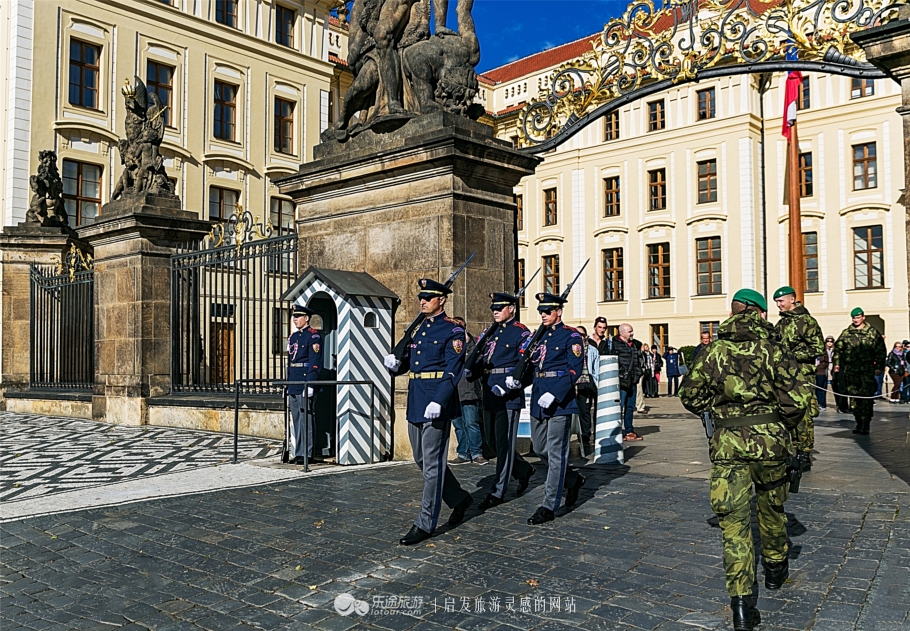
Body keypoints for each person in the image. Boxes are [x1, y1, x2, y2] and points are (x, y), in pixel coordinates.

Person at [680, 288, 812, 631]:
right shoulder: (775, 349)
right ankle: (775, 569)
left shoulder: (714, 350)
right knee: (771, 508)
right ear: (759, 313)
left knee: (734, 525)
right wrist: (778, 425)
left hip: (728, 448)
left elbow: (690, 396)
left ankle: (741, 605)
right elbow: (798, 401)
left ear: (735, 311)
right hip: (771, 447)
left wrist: (717, 406)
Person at [383, 278, 473, 545]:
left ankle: (425, 522)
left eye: (429, 297)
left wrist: (440, 399)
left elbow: (453, 369)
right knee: (422, 460)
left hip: (436, 402)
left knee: (432, 465)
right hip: (416, 399)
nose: (422, 301)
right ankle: (459, 498)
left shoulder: (452, 332)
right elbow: (410, 363)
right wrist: (394, 365)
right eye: (421, 297)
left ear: (442, 300)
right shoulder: (420, 330)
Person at [525, 292, 586, 525]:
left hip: (560, 401)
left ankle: (549, 505)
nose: (543, 314)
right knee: (540, 449)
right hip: (539, 398)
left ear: (558, 312)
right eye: (541, 311)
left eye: (547, 311)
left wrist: (556, 392)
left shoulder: (571, 336)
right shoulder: (538, 337)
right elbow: (531, 366)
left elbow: (574, 369)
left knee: (557, 454)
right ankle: (572, 481)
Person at [472, 292, 535, 510]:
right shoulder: (490, 333)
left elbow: (527, 365)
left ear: (512, 309)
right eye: (493, 308)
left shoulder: (521, 332)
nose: (495, 311)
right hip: (489, 390)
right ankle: (523, 470)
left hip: (507, 394)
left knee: (504, 443)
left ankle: (498, 490)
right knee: (492, 441)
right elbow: (481, 359)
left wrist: (513, 384)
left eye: (500, 307)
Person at [772, 286, 824, 470]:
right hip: (783, 377)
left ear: (792, 299)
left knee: (803, 414)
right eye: (776, 302)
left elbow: (817, 348)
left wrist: (792, 356)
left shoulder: (806, 321)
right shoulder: (781, 324)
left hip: (802, 375)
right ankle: (790, 449)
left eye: (781, 301)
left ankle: (804, 453)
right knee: (785, 411)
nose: (778, 305)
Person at [833, 307, 887, 435]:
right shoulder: (846, 333)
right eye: (854, 318)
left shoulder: (872, 332)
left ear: (863, 317)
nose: (855, 320)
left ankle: (866, 424)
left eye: (857, 317)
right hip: (851, 371)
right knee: (854, 399)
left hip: (867, 370)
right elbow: (838, 350)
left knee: (866, 398)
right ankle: (858, 422)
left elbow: (880, 351)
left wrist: (879, 367)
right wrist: (837, 364)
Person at [287, 305, 323, 465]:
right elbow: (290, 361)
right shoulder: (293, 337)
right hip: (294, 380)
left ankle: (307, 453)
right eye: (294, 316)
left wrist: (310, 384)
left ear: (306, 318)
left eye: (298, 316)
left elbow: (315, 362)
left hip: (305, 379)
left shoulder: (313, 337)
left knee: (306, 418)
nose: (295, 319)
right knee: (296, 418)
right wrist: (286, 384)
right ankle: (299, 452)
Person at [450, 318, 486, 464]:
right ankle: (463, 453)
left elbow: (476, 359)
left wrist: (468, 341)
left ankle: (477, 453)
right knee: (459, 425)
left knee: (471, 423)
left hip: (469, 390)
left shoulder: (473, 343)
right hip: (453, 392)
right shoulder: (451, 344)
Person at [609, 323, 643, 441]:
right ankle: (617, 431)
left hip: (632, 381)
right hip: (621, 381)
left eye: (632, 331)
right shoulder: (615, 345)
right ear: (622, 333)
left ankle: (629, 430)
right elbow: (613, 361)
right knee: (619, 407)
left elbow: (637, 361)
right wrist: (621, 372)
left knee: (630, 407)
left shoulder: (633, 345)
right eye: (629, 331)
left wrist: (638, 373)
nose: (632, 333)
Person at [574, 324, 599, 447]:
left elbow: (596, 369)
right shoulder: (571, 349)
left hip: (589, 382)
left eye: (581, 334)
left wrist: (597, 383)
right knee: (581, 410)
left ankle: (591, 434)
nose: (579, 337)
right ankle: (583, 434)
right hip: (576, 383)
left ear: (586, 336)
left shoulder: (592, 350)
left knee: (590, 410)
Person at [815, 336, 835, 411]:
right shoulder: (822, 350)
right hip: (820, 371)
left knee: (823, 388)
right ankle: (820, 403)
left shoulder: (833, 350)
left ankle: (822, 404)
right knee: (819, 388)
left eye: (831, 341)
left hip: (826, 371)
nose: (829, 343)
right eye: (828, 341)